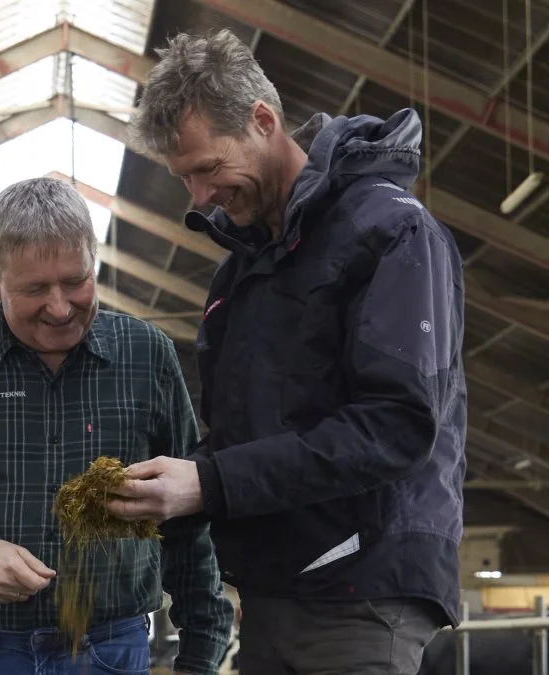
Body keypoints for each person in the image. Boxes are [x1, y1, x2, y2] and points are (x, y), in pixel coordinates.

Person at [106, 29, 467, 674]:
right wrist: (166, 487)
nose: (199, 197)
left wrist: (209, 483)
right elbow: (247, 439)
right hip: (276, 589)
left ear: (263, 120)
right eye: (184, 177)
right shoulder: (242, 277)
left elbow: (397, 425)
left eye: (208, 169)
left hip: (360, 588)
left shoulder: (390, 231)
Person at [0, 176, 234, 675]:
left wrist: (200, 651)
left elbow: (187, 513)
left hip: (110, 649)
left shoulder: (147, 355)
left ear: (93, 260)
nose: (59, 308)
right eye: (34, 289)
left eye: (76, 281)